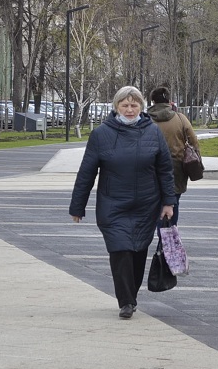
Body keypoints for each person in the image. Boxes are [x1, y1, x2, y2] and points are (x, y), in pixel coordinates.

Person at [70, 86, 176, 319]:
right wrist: (78, 206)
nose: (130, 109)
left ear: (141, 106)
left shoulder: (153, 132)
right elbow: (86, 173)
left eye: (134, 104)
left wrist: (168, 202)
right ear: (116, 106)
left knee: (138, 250)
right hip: (113, 204)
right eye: (125, 105)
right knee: (120, 250)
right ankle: (126, 301)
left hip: (146, 204)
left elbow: (165, 170)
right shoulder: (101, 134)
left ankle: (131, 295)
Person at [147, 86, 199, 225]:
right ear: (169, 101)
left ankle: (161, 235)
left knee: (156, 203)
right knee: (173, 202)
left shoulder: (145, 119)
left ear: (153, 101)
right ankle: (169, 234)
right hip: (177, 167)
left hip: (151, 167)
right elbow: (193, 141)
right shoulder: (180, 118)